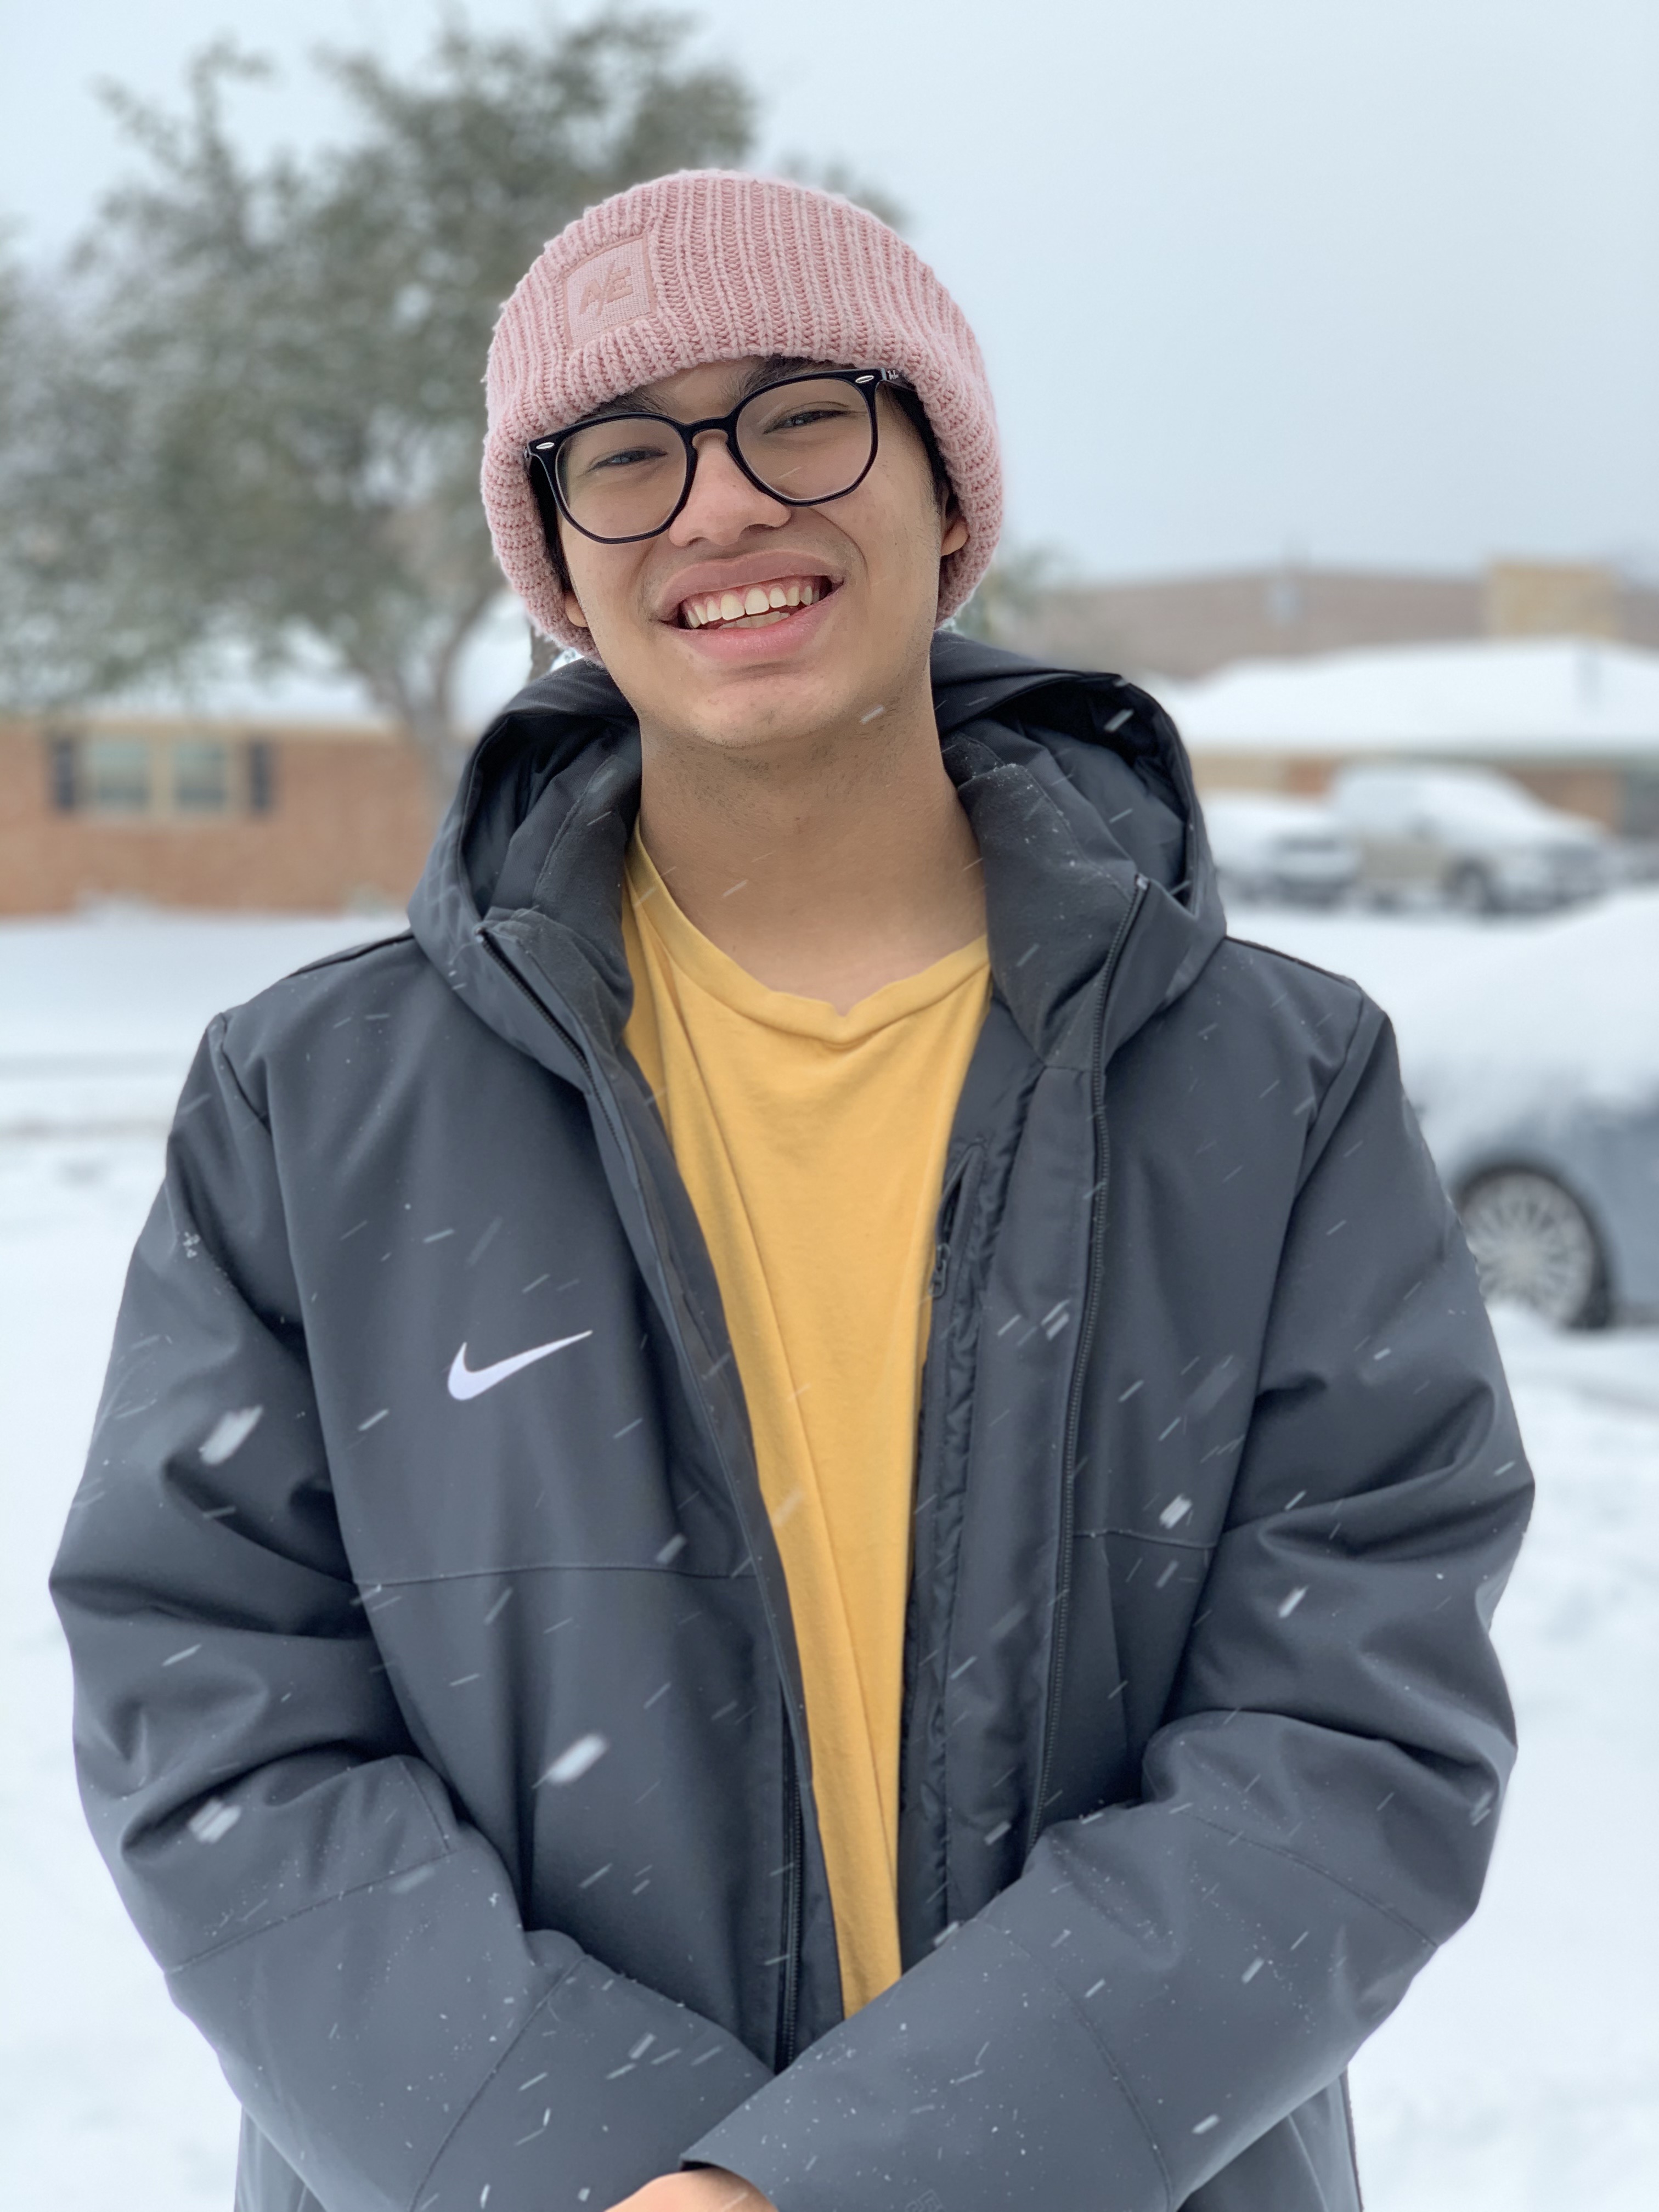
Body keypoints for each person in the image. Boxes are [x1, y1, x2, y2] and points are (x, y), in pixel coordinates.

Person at [52, 172, 1532, 2212]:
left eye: (805, 413)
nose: (720, 507)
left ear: (950, 496)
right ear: (559, 570)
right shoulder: (317, 1103)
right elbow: (211, 1704)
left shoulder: (1275, 1086)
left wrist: (842, 2182)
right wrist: (597, 2167)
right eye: (626, 457)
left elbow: (1354, 1736)